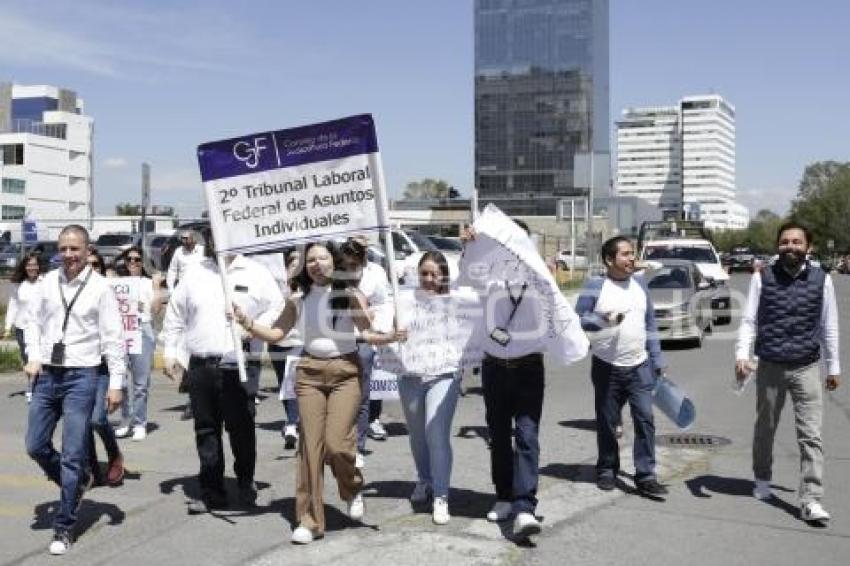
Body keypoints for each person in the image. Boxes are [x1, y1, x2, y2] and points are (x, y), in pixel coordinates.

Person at [233, 241, 402, 545]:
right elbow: (276, 334)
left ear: (333, 261)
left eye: (323, 258)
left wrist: (390, 336)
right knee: (310, 447)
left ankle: (351, 488)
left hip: (345, 373)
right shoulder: (297, 298)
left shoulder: (349, 294)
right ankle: (309, 521)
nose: (316, 264)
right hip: (309, 373)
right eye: (310, 260)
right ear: (304, 266)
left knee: (337, 446)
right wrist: (247, 323)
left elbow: (366, 333)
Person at [161, 229, 282, 514]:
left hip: (238, 363)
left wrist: (250, 324)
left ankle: (244, 481)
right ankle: (211, 490)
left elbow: (277, 307)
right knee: (205, 429)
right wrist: (170, 353)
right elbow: (176, 316)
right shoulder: (194, 274)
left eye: (222, 233)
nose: (217, 241)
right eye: (212, 236)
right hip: (201, 364)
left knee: (241, 428)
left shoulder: (255, 272)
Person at [24, 225, 125, 555]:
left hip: (81, 377)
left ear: (87, 250)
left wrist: (116, 384)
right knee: (35, 445)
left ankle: (64, 526)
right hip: (47, 376)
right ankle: (79, 482)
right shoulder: (47, 283)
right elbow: (34, 323)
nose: (68, 255)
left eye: (75, 249)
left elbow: (113, 339)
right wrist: (35, 357)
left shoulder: (100, 288)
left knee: (72, 453)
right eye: (64, 248)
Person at [735, 222, 841, 524]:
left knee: (811, 435)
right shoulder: (762, 277)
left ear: (808, 247)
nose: (790, 247)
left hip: (806, 366)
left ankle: (811, 498)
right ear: (777, 246)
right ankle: (762, 480)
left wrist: (833, 367)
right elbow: (749, 321)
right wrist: (742, 355)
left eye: (797, 242)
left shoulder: (823, 280)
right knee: (765, 428)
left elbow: (829, 325)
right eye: (784, 242)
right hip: (769, 366)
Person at [463, 219, 547, 538]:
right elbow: (465, 274)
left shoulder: (539, 278)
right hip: (495, 367)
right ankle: (504, 496)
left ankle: (525, 507)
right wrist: (470, 244)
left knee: (527, 435)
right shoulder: (487, 275)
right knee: (499, 436)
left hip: (528, 368)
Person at [575, 236, 668, 497]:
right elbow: (578, 319)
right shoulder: (596, 286)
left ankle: (646, 474)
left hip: (640, 366)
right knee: (606, 422)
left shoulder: (640, 285)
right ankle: (606, 468)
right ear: (609, 259)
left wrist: (657, 358)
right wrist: (601, 319)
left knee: (645, 420)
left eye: (632, 254)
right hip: (606, 367)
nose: (632, 259)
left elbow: (650, 324)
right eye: (626, 254)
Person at [398, 251, 461, 525]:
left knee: (436, 433)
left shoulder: (457, 301)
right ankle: (424, 479)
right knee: (417, 435)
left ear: (444, 276)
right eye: (424, 273)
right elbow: (381, 323)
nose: (429, 279)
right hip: (411, 375)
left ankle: (441, 495)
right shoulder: (403, 300)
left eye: (435, 274)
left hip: (444, 374)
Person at [339, 237, 392, 468]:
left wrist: (373, 319)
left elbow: (386, 303)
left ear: (363, 260)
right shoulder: (335, 274)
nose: (350, 270)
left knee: (361, 396)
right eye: (346, 265)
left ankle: (358, 447)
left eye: (354, 265)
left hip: (363, 340)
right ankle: (339, 442)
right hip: (338, 339)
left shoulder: (376, 273)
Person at [83, 249, 125, 487]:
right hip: (75, 368)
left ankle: (114, 455)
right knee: (81, 422)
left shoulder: (105, 291)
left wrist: (116, 382)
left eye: (95, 265)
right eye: (87, 264)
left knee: (98, 419)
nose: (90, 268)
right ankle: (91, 468)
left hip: (101, 367)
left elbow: (115, 336)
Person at [113, 246, 161, 441]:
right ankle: (126, 418)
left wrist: (156, 288)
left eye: (137, 259)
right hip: (121, 331)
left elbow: (156, 310)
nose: (133, 262)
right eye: (130, 259)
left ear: (143, 262)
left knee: (140, 383)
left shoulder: (149, 284)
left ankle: (140, 422)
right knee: (121, 381)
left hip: (142, 330)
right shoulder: (118, 282)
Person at [3, 251, 43, 403]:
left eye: (35, 264)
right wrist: (7, 327)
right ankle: (31, 385)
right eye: (29, 265)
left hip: (40, 327)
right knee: (27, 359)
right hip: (22, 327)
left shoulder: (44, 282)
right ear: (24, 267)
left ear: (39, 266)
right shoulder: (17, 285)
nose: (32, 267)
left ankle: (38, 387)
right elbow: (13, 306)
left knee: (39, 357)